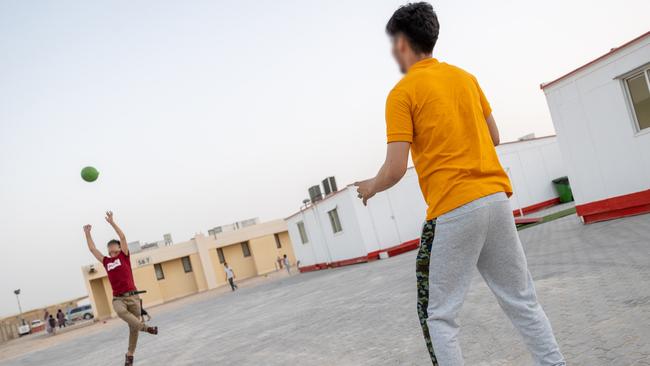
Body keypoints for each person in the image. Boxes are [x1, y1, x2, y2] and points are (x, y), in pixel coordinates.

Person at [354, 3, 565, 365]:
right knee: (522, 299)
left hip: (453, 209)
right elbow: (494, 136)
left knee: (438, 314)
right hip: (496, 200)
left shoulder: (403, 93)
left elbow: (394, 168)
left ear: (403, 44)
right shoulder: (465, 78)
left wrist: (370, 186)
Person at [84, 211, 158, 366]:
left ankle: (129, 355)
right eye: (110, 252)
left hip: (133, 297)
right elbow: (92, 249)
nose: (113, 253)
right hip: (119, 299)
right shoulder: (106, 261)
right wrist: (87, 233)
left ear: (120, 249)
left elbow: (123, 237)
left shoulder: (124, 256)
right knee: (121, 312)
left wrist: (112, 222)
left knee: (133, 328)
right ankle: (146, 328)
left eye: (115, 250)